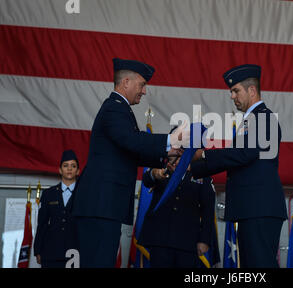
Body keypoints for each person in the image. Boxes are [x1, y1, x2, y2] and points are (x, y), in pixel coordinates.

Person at [71, 58, 188, 268]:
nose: (144, 91)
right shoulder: (115, 108)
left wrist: (168, 152)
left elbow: (129, 151)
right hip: (101, 206)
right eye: (142, 85)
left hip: (104, 206)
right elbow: (131, 141)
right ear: (125, 82)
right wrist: (172, 139)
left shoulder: (120, 109)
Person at [190, 64, 287, 268]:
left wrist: (202, 154)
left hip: (259, 208)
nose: (232, 96)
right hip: (253, 208)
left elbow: (242, 155)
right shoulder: (251, 120)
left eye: (236, 91)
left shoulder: (264, 117)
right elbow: (236, 158)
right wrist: (192, 168)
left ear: (252, 90)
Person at [137, 139, 217, 268]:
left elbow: (208, 210)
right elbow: (147, 180)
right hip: (160, 237)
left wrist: (204, 240)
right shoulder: (165, 164)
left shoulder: (203, 174)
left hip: (187, 241)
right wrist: (154, 174)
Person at [34, 150, 80, 268]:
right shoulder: (49, 194)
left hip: (76, 252)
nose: (69, 169)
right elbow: (42, 223)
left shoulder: (84, 194)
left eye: (73, 166)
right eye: (65, 166)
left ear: (78, 171)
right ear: (60, 170)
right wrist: (38, 250)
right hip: (51, 252)